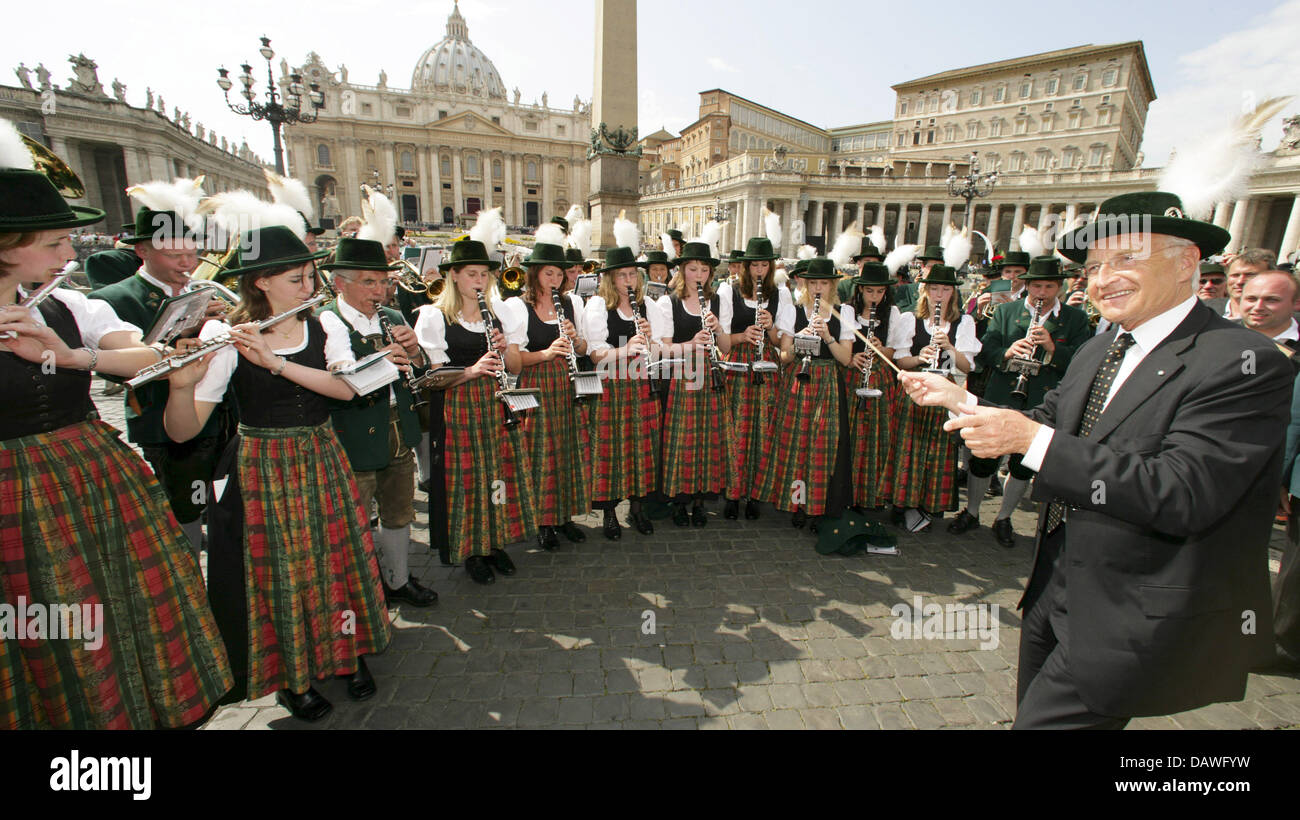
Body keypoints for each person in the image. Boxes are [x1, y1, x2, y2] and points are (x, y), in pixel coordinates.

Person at [901, 190, 1290, 728]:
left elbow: (1184, 492)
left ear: (1186, 263)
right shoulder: (1100, 349)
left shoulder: (1242, 362)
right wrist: (961, 399)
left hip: (1131, 609)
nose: (1103, 279)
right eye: (1094, 266)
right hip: (1051, 587)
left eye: (1126, 258)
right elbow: (1048, 420)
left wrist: (1027, 440)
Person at [0, 135, 232, 729]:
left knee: (122, 606)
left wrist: (70, 355)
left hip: (88, 473)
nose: (69, 251)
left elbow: (140, 355)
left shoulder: (69, 308)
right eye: (54, 243)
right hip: (13, 494)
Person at [163, 222, 391, 722]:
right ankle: (294, 674)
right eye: (296, 278)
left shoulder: (324, 325)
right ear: (262, 282)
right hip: (262, 465)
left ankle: (347, 651)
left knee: (336, 557)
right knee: (283, 571)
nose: (309, 287)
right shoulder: (224, 335)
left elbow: (347, 389)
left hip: (321, 454)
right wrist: (181, 387)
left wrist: (275, 362)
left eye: (311, 275)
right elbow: (182, 433)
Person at [90, 180, 230, 556]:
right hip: (160, 420)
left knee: (223, 502)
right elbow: (114, 371)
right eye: (175, 256)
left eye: (192, 254)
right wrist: (177, 341)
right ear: (142, 252)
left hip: (219, 416)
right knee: (183, 506)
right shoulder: (111, 299)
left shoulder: (200, 291)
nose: (188, 264)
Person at [317, 236, 438, 607]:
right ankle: (363, 589)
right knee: (355, 518)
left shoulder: (396, 316)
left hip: (399, 428)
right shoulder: (325, 321)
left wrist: (416, 352)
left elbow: (420, 374)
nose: (380, 290)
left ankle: (398, 578)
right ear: (341, 283)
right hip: (354, 434)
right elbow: (337, 381)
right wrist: (381, 356)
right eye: (369, 282)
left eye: (383, 282)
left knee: (399, 510)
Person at [414, 239, 538, 584]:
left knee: (498, 475)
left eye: (484, 275)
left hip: (496, 403)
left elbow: (514, 365)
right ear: (453, 276)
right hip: (460, 408)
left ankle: (495, 541)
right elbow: (432, 379)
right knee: (469, 480)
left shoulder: (500, 314)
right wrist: (470, 370)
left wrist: (505, 346)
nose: (480, 282)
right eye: (472, 274)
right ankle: (472, 550)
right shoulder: (434, 317)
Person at [948, 256, 1091, 547]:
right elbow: (986, 351)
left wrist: (1051, 348)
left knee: (1024, 462)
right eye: (1036, 286)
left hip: (1043, 397)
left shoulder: (1075, 319)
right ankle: (972, 511)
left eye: (1048, 286)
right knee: (983, 458)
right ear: (1026, 286)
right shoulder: (1006, 311)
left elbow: (1082, 361)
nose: (1041, 293)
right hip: (1002, 393)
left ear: (1058, 288)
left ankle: (1004, 517)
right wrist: (1008, 352)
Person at [752, 257, 853, 530]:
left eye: (824, 283)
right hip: (799, 381)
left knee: (823, 447)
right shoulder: (792, 311)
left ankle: (817, 506)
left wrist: (827, 336)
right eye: (813, 283)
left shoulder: (845, 313)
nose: (818, 288)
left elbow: (845, 359)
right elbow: (784, 357)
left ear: (833, 285)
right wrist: (801, 338)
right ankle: (798, 502)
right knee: (796, 447)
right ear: (805, 284)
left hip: (828, 383)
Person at [508, 242, 592, 550]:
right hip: (536, 382)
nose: (555, 280)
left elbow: (583, 349)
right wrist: (544, 354)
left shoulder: (572, 304)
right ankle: (543, 521)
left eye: (559, 274)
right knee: (540, 452)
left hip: (566, 383)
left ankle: (564, 516)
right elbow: (512, 362)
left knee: (567, 448)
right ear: (534, 274)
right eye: (548, 273)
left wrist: (574, 338)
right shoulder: (518, 306)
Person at [583, 246, 666, 539]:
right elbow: (595, 355)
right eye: (622, 275)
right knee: (611, 447)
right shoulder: (597, 306)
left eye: (632, 274)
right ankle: (608, 512)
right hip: (612, 384)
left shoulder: (648, 307)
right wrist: (626, 348)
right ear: (610, 279)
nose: (629, 280)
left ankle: (638, 507)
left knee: (641, 446)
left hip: (642, 381)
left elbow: (658, 350)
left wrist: (650, 339)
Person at [891, 265, 981, 532]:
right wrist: (921, 357)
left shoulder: (964, 322)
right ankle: (904, 504)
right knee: (910, 448)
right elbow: (901, 360)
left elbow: (967, 368)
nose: (939, 295)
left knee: (938, 448)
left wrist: (949, 347)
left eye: (945, 289)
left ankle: (930, 505)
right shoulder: (911, 319)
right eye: (934, 289)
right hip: (916, 386)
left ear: (953, 292)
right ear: (925, 291)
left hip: (944, 389)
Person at [655, 241, 738, 526]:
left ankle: (701, 501)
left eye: (704, 269)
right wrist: (690, 344)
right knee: (683, 439)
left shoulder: (719, 301)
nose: (699, 275)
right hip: (681, 376)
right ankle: (680, 501)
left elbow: (726, 345)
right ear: (682, 271)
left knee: (708, 438)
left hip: (711, 374)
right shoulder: (668, 302)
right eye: (693, 269)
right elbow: (663, 349)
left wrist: (717, 329)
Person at [717, 236, 792, 520]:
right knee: (735, 430)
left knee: (763, 430)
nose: (759, 271)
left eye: (764, 265)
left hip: (765, 364)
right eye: (754, 265)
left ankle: (754, 494)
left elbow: (780, 341)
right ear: (746, 267)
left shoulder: (780, 294)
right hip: (737, 362)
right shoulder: (729, 291)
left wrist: (770, 326)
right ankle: (732, 494)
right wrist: (742, 335)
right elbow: (723, 340)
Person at [842, 262, 909, 512]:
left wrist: (881, 350)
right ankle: (847, 492)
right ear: (860, 290)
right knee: (850, 435)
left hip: (879, 378)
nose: (874, 297)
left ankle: (871, 494)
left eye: (879, 292)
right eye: (869, 291)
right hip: (852, 377)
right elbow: (843, 346)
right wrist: (852, 360)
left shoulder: (892, 313)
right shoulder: (847, 311)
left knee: (876, 436)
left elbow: (894, 351)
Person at [1240, 269, 1300, 351]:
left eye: (1271, 300)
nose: (1258, 307)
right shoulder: (1220, 335)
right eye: (1251, 299)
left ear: (1296, 303)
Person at [1223, 248, 1277, 319]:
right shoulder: (1207, 309)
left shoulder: (1281, 319)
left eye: (1250, 275)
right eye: (1235, 275)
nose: (1240, 281)